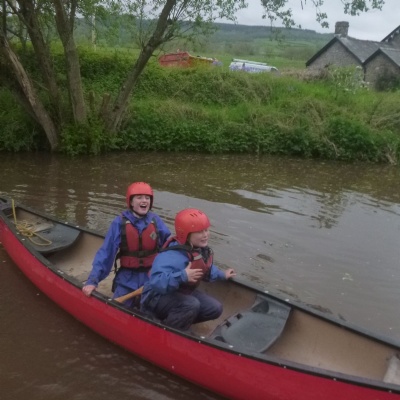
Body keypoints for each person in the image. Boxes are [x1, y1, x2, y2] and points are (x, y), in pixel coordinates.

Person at [140, 208, 236, 331]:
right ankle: (170, 331)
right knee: (191, 304)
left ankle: (178, 323)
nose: (205, 235)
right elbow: (156, 281)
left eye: (206, 230)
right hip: (156, 298)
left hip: (180, 294)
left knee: (215, 308)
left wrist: (222, 275)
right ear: (186, 234)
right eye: (200, 232)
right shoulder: (170, 256)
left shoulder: (198, 249)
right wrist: (183, 276)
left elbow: (205, 268)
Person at [82, 182, 171, 307]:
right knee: (118, 310)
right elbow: (106, 253)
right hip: (127, 279)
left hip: (151, 276)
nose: (144, 201)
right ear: (131, 202)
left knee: (156, 308)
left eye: (147, 198)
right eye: (139, 197)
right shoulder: (119, 223)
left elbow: (170, 246)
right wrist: (93, 280)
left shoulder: (156, 221)